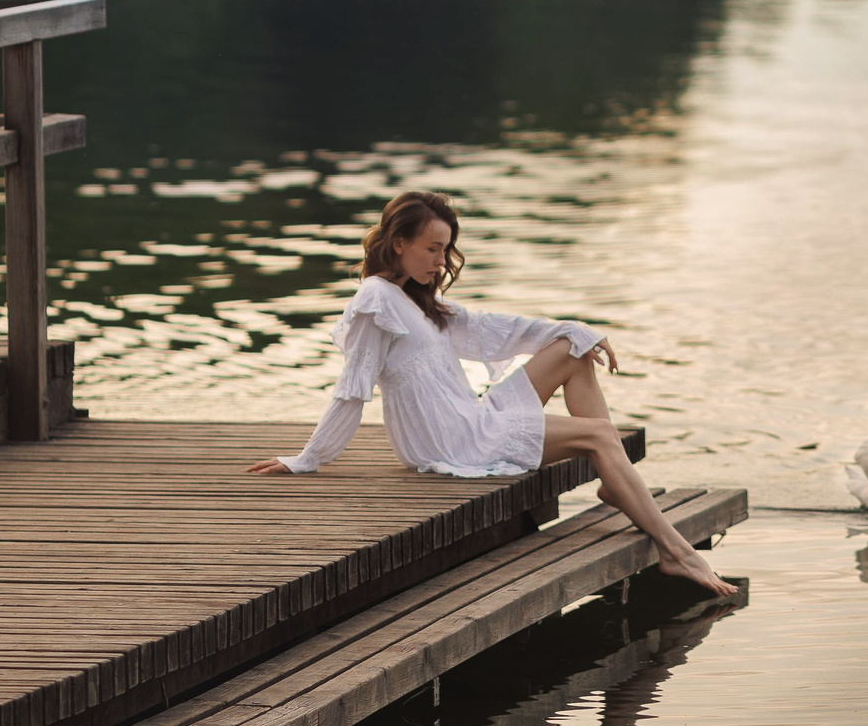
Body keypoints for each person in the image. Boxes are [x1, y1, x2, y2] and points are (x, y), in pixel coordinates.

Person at [247, 189, 735, 597]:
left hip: (471, 418)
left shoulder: (418, 299)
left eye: (445, 250)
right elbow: (352, 387)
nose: (441, 261)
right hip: (451, 441)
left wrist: (579, 328)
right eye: (432, 249)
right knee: (602, 434)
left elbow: (492, 329)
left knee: (572, 348)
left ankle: (612, 478)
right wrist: (309, 458)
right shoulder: (376, 299)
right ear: (398, 244)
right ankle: (678, 552)